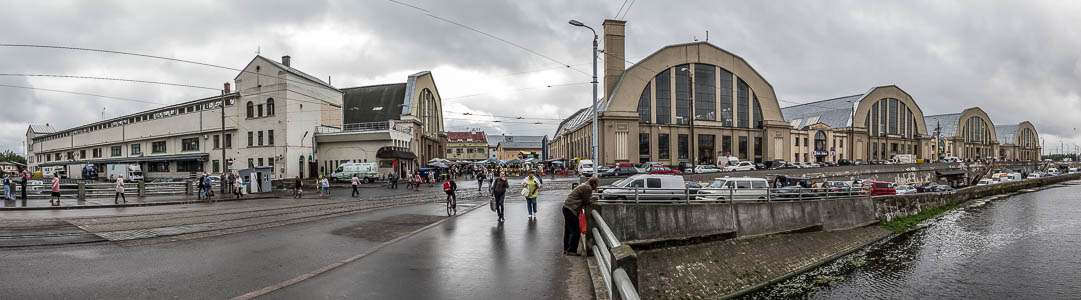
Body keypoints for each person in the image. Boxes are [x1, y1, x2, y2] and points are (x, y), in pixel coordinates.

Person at [563, 177, 598, 256]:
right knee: (576, 231)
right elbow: (587, 201)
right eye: (597, 185)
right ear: (594, 183)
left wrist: (592, 198)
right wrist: (594, 199)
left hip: (567, 207)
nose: (597, 187)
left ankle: (566, 249)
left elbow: (583, 198)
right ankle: (571, 250)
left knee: (568, 231)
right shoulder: (588, 188)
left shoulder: (584, 185)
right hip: (571, 210)